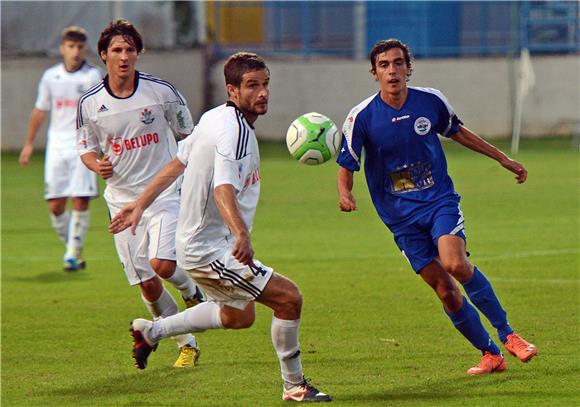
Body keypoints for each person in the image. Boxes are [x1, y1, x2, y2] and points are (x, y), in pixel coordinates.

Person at [109, 52, 332, 402]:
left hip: (201, 245)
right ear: (232, 90)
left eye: (265, 84)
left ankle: (153, 331)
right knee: (289, 299)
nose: (262, 93)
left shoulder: (213, 118)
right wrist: (241, 233)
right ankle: (295, 386)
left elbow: (176, 163)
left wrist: (140, 203)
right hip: (208, 249)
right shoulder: (235, 132)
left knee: (238, 317)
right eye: (252, 86)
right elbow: (223, 188)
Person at [336, 39, 537, 376]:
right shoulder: (362, 117)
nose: (392, 70)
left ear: (408, 68)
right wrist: (346, 194)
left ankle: (509, 335)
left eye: (398, 63)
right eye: (384, 65)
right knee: (445, 290)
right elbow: (347, 164)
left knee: (455, 264)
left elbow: (459, 132)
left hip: (438, 201)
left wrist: (502, 158)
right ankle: (491, 354)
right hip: (399, 218)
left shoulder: (430, 101)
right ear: (374, 73)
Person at [77, 20, 204, 368]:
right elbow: (86, 147)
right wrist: (95, 165)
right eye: (116, 50)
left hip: (162, 193)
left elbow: (188, 135)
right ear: (103, 55)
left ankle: (192, 291)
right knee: (147, 286)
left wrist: (193, 178)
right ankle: (187, 344)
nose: (123, 56)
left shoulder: (161, 92)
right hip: (120, 202)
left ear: (137, 54)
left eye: (129, 49)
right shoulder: (90, 104)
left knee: (162, 264)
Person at [19, 26, 102, 271]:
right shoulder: (50, 76)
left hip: (84, 144)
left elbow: (101, 113)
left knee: (80, 198)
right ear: (62, 48)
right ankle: (72, 247)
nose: (75, 52)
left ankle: (72, 255)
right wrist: (29, 144)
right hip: (57, 145)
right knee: (55, 205)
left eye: (79, 47)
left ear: (84, 48)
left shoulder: (93, 77)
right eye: (70, 46)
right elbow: (40, 109)